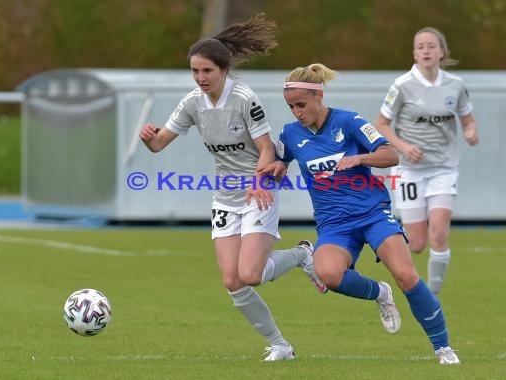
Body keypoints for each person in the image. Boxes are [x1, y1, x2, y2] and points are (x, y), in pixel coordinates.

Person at [139, 14, 326, 362]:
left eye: (206, 71)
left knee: (250, 275)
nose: (200, 78)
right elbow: (160, 143)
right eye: (195, 71)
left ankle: (303, 255)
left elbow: (267, 149)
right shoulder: (192, 102)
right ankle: (280, 345)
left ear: (223, 70)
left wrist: (258, 181)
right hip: (225, 197)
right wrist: (149, 139)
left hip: (260, 188)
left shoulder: (243, 98)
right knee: (232, 281)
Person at [261, 63, 460, 364]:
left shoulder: (349, 121)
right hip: (334, 224)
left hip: (372, 213)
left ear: (319, 96)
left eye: (301, 104)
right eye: (291, 106)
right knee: (328, 274)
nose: (296, 112)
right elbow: (279, 165)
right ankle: (380, 293)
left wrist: (359, 159)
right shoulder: (290, 135)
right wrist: (271, 173)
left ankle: (443, 348)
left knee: (406, 275)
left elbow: (391, 154)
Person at [374, 27, 479, 295]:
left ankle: (433, 294)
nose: (426, 51)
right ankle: (384, 246)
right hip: (410, 171)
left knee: (440, 233)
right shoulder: (402, 85)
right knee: (417, 243)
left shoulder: (455, 85)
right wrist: (404, 147)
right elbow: (382, 124)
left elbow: (467, 118)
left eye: (431, 46)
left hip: (444, 168)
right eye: (420, 47)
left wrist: (470, 131)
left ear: (441, 52)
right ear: (414, 54)